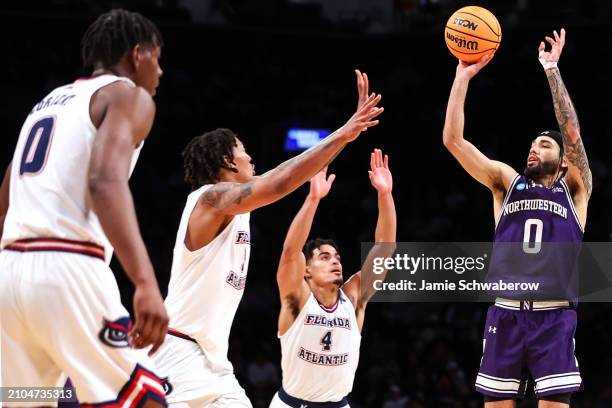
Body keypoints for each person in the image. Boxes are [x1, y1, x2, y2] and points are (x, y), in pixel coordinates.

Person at [152, 71, 384, 407]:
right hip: (178, 350)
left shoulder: (235, 210)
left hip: (214, 364)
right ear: (228, 161)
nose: (251, 158)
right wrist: (344, 135)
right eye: (244, 151)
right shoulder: (209, 199)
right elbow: (278, 183)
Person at [0, 9, 169, 406]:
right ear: (139, 54)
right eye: (159, 59)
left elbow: (5, 202)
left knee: (26, 399)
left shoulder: (43, 106)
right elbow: (104, 181)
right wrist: (144, 282)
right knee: (145, 400)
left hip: (9, 273)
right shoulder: (129, 95)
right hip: (67, 267)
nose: (160, 73)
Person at [442, 29, 591, 407]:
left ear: (560, 163)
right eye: (531, 144)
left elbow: (571, 133)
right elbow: (453, 141)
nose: (533, 149)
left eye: (543, 144)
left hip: (554, 315)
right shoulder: (505, 183)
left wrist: (552, 69)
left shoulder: (573, 190)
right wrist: (461, 78)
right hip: (506, 311)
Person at [269, 148, 396, 408]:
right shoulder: (297, 299)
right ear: (307, 270)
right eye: (324, 257)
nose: (335, 261)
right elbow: (291, 252)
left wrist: (385, 195)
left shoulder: (354, 297)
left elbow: (384, 248)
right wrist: (313, 198)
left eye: (336, 257)